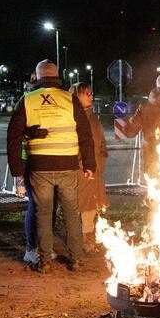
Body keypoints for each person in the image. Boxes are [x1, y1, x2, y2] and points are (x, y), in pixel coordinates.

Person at [7, 60, 97, 272]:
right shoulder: (70, 99)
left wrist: (17, 170)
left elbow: (12, 136)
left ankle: (45, 261)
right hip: (68, 165)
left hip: (40, 167)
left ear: (37, 77)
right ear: (57, 75)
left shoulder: (27, 100)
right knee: (71, 213)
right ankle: (75, 259)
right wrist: (89, 164)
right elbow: (85, 135)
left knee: (43, 214)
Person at [73, 82, 108, 253]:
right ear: (76, 95)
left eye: (91, 92)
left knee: (91, 204)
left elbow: (100, 140)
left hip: (95, 167)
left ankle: (87, 237)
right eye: (86, 93)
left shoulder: (92, 116)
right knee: (83, 205)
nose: (90, 95)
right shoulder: (73, 116)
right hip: (81, 168)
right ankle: (84, 239)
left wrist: (102, 155)